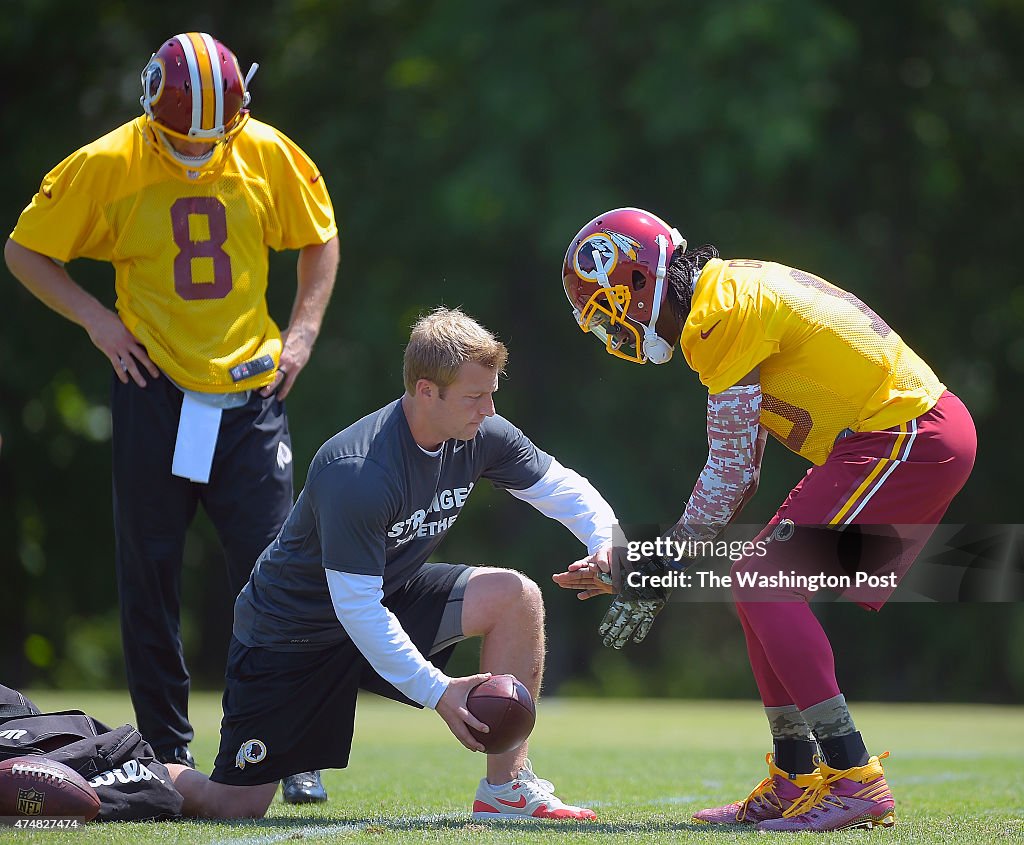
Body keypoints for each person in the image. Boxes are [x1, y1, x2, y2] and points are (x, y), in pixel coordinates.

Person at [553, 207, 976, 832]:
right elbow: (740, 470)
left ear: (638, 281)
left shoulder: (721, 312)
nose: (611, 335)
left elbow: (731, 473)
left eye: (607, 311)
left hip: (906, 435)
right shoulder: (722, 296)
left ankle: (854, 775)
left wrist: (651, 566)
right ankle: (796, 774)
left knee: (761, 577)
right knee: (755, 583)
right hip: (893, 437)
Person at [4, 32, 339, 804]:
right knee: (149, 574)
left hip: (251, 394)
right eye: (184, 140)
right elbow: (26, 249)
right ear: (153, 116)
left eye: (214, 138)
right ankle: (163, 748)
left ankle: (287, 742)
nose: (199, 152)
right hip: (154, 387)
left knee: (275, 576)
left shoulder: (267, 150)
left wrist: (304, 333)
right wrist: (96, 320)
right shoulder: (109, 161)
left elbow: (320, 239)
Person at [162, 307, 613, 820]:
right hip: (292, 636)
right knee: (234, 805)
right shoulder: (357, 470)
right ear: (426, 390)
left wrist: (607, 542)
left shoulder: (480, 433)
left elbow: (561, 487)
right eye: (474, 396)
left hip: (383, 599)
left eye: (491, 392)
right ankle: (121, 768)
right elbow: (356, 610)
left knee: (516, 597)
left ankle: (506, 789)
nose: (488, 409)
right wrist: (438, 691)